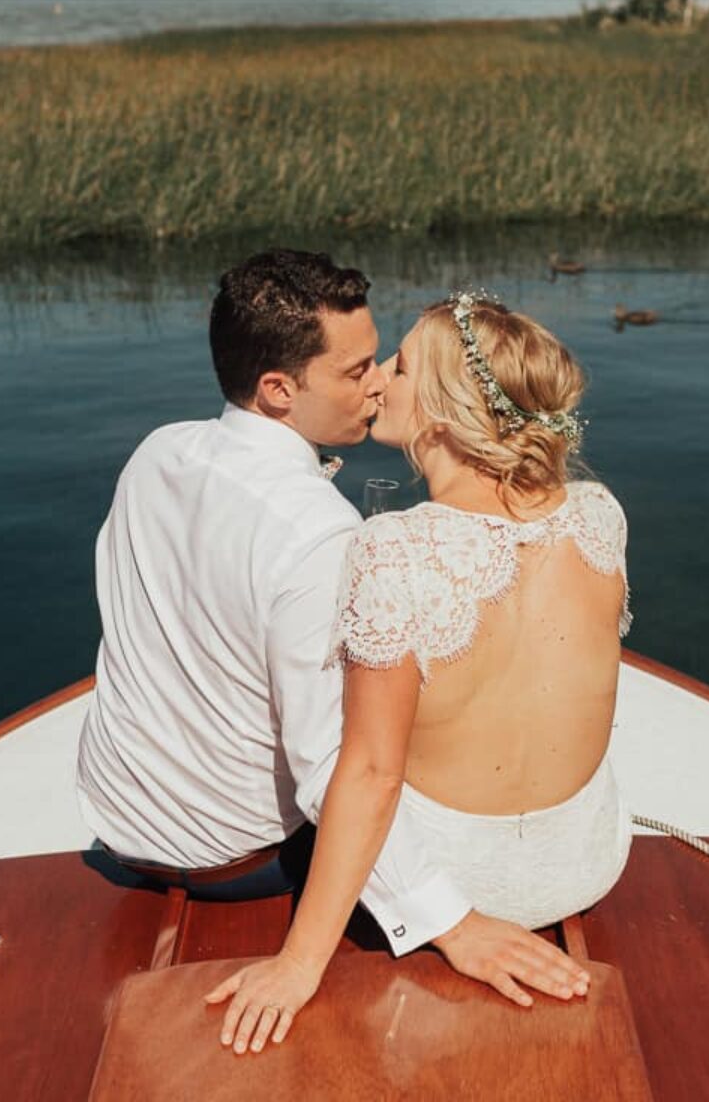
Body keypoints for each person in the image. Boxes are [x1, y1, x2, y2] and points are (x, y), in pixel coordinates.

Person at [76, 253, 589, 996]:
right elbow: (336, 768)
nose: (378, 381)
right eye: (354, 373)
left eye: (378, 360)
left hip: (121, 823)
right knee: (406, 733)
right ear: (279, 390)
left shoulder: (157, 452)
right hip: (239, 860)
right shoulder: (319, 535)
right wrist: (453, 924)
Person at [207, 288, 632, 1054]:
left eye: (396, 367)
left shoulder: (392, 549)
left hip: (461, 888)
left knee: (323, 762)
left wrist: (299, 965)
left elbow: (370, 772)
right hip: (587, 861)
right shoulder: (601, 514)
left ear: (437, 411)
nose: (377, 382)